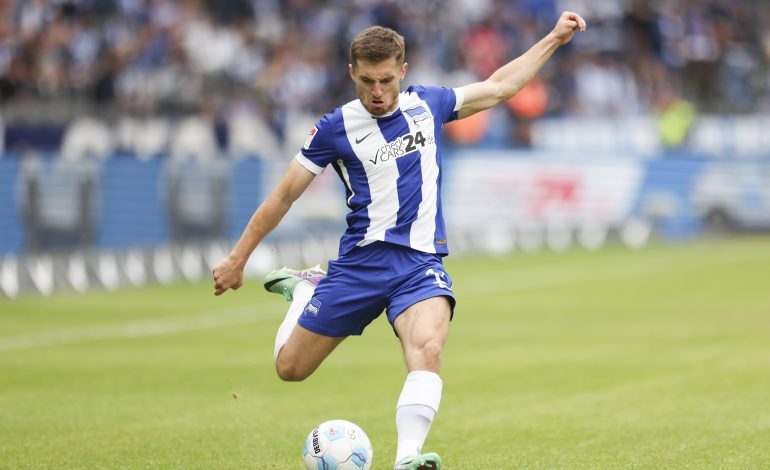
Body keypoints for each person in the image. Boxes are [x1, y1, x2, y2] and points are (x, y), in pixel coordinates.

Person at [212, 12, 586, 470]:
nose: (376, 91)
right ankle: (304, 293)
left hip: (418, 264)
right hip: (359, 266)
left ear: (402, 72)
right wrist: (238, 258)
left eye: (386, 80)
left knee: (427, 348)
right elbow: (283, 196)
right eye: (367, 80)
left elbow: (500, 86)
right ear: (351, 73)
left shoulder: (428, 104)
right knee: (290, 369)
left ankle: (407, 456)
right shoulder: (335, 128)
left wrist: (553, 37)